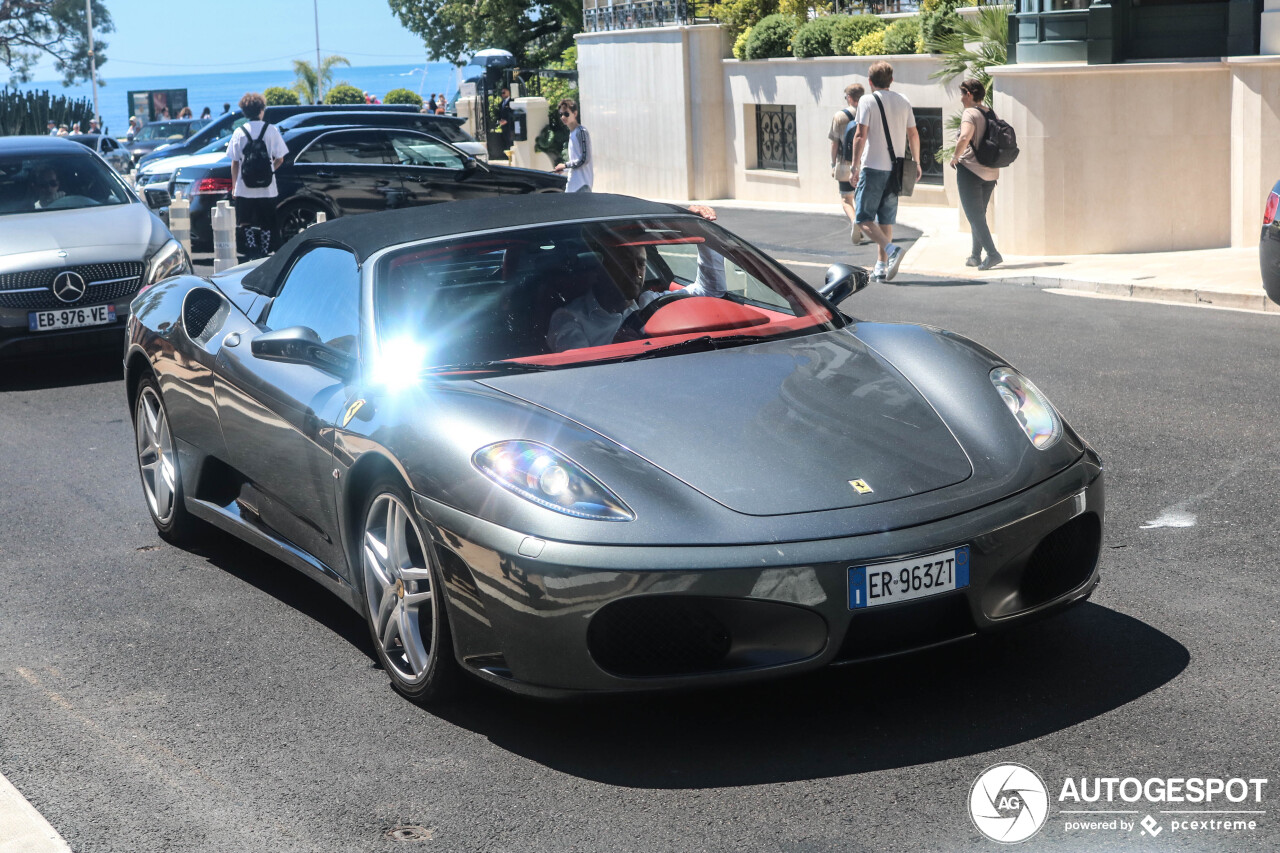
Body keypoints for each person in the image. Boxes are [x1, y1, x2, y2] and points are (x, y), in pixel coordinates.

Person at [547, 205, 726, 351]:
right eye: (624, 262)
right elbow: (577, 377)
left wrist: (700, 230)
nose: (636, 272)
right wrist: (614, 348)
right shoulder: (570, 318)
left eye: (641, 264)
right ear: (600, 268)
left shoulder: (651, 303)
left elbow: (710, 291)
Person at [850, 61, 922, 283]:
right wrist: (917, 162)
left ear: (870, 82)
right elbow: (913, 134)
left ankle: (892, 251)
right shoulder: (903, 101)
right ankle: (881, 266)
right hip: (896, 169)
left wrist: (854, 166)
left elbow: (860, 135)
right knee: (885, 220)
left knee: (862, 218)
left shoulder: (866, 100)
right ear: (891, 80)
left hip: (873, 167)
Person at [227, 92, 288, 262]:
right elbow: (280, 158)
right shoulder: (271, 130)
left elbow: (235, 162)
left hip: (244, 187)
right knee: (267, 222)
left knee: (245, 221)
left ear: (245, 112)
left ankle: (251, 248)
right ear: (261, 110)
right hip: (267, 187)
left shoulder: (239, 132)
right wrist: (270, 170)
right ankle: (264, 249)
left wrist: (234, 186)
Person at [949, 78, 1003, 271]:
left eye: (962, 94)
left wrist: (955, 157)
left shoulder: (970, 113)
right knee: (978, 215)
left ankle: (993, 254)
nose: (961, 98)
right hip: (990, 172)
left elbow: (965, 137)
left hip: (970, 169)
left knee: (974, 215)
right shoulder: (990, 112)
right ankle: (975, 256)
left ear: (969, 94)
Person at [829, 82, 865, 246]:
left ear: (849, 98)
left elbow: (834, 143)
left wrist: (832, 163)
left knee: (845, 198)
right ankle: (861, 224)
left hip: (844, 162)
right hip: (864, 162)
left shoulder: (840, 117)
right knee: (859, 196)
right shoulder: (868, 113)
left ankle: (854, 221)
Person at [553, 99, 592, 192]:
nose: (563, 117)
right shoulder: (572, 133)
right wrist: (565, 169)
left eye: (566, 114)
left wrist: (565, 165)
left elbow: (584, 159)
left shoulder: (581, 132)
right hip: (573, 185)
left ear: (575, 114)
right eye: (561, 114)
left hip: (582, 185)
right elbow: (576, 160)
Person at [497, 87, 515, 152]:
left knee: (511, 142)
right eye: (501, 93)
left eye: (504, 92)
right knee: (506, 141)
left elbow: (512, 113)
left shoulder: (512, 102)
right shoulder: (501, 103)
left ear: (509, 92)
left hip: (510, 126)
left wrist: (506, 120)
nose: (502, 94)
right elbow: (499, 114)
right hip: (504, 127)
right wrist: (499, 121)